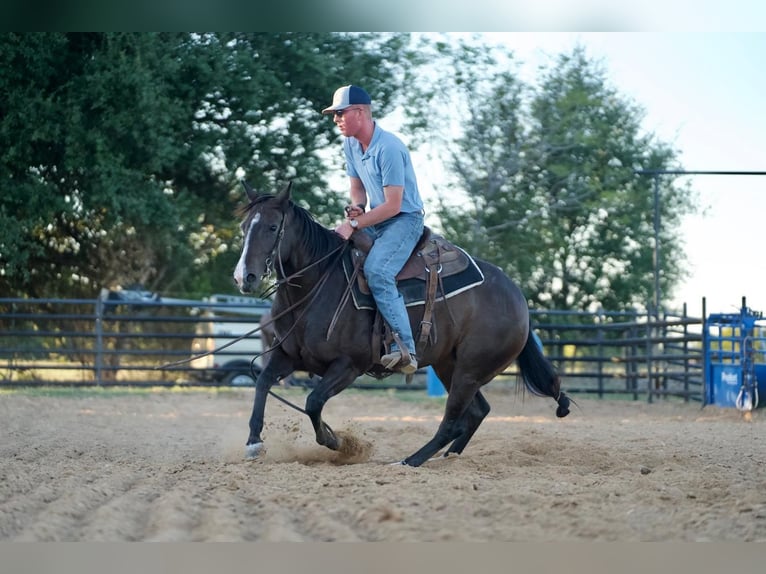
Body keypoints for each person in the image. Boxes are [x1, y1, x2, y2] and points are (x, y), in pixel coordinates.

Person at [323, 84, 425, 375]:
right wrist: (356, 208)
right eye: (335, 115)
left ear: (360, 112)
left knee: (378, 271)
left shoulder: (389, 148)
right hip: (376, 220)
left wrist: (353, 224)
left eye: (340, 113)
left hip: (404, 220)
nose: (336, 119)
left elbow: (393, 206)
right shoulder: (351, 144)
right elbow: (358, 191)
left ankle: (405, 349)